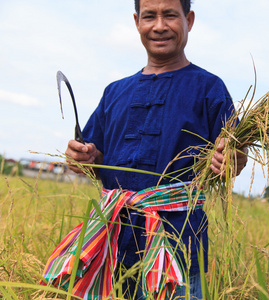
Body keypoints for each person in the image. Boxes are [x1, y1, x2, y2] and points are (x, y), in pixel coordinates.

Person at [41, 0, 247, 299]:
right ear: (137, 22)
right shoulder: (115, 91)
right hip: (110, 241)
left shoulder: (209, 88)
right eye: (150, 16)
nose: (159, 25)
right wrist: (82, 158)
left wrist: (230, 159)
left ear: (188, 20)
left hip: (178, 244)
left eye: (170, 15)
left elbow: (232, 157)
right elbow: (92, 159)